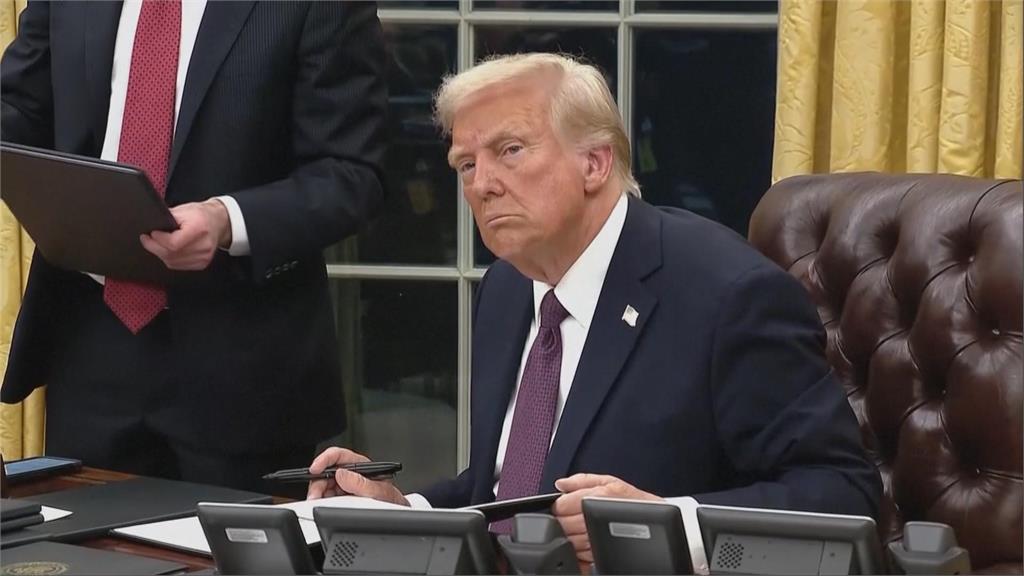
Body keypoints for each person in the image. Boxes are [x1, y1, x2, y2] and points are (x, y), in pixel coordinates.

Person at [306, 52, 880, 567]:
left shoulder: (727, 295)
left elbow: (842, 495)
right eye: (466, 165)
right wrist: (404, 510)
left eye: (509, 151)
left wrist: (661, 524)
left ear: (595, 163)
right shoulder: (506, 288)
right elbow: (509, 491)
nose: (482, 185)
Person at [0, 1, 386, 493]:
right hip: (90, 345)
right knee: (85, 538)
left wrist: (228, 219)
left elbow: (351, 174)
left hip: (242, 363)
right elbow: (19, 107)